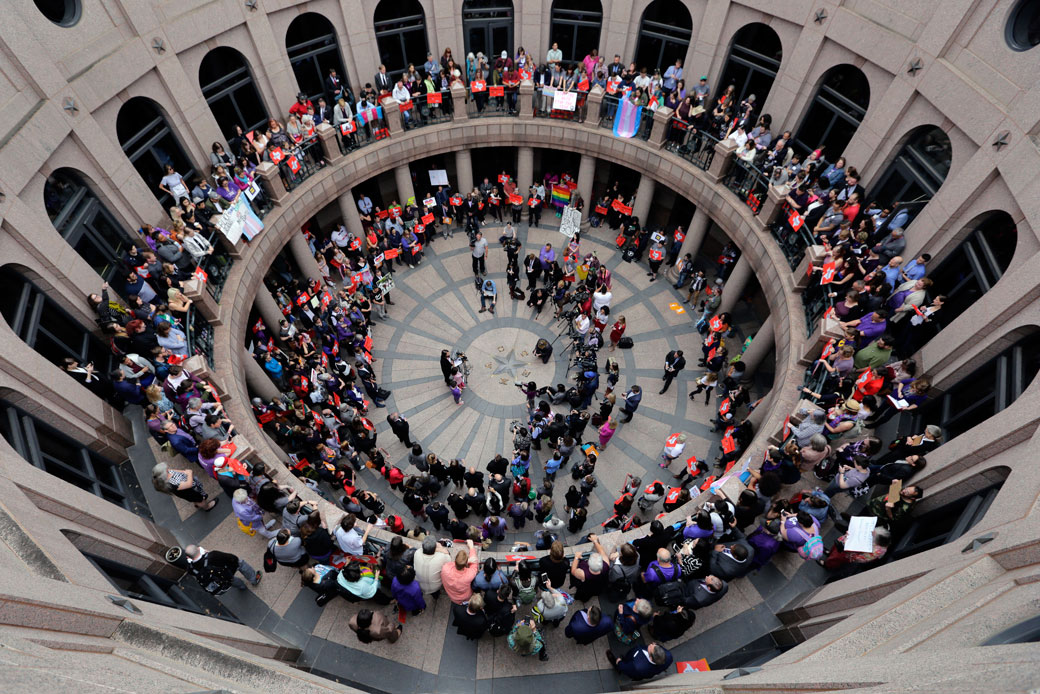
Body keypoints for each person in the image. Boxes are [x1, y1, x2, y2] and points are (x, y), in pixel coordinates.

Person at [184, 544, 261, 594]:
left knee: (232, 580)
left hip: (222, 578)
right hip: (228, 569)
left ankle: (242, 587)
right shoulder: (212, 555)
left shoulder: (190, 568)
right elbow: (231, 558)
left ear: (188, 557)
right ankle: (254, 579)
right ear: (198, 549)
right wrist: (207, 553)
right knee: (241, 563)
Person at [606, 642, 673, 681]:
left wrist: (619, 662)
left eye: (652, 646)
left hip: (632, 663)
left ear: (651, 657)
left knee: (623, 664)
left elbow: (625, 667)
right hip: (647, 673)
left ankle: (617, 669)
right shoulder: (669, 656)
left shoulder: (637, 666)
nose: (652, 644)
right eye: (654, 645)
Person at [442, 538, 480, 604]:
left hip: (452, 596)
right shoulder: (469, 575)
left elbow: (452, 564)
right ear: (466, 563)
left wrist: (466, 561)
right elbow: (474, 562)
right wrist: (471, 547)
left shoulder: (445, 568)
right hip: (465, 597)